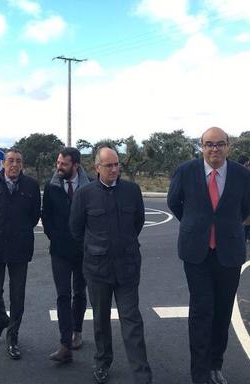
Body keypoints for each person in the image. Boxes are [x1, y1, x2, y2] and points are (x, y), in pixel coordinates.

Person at [167, 127, 250, 384]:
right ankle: (200, 373)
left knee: (223, 311)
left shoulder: (241, 174)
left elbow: (248, 208)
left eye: (220, 144)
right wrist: (196, 225)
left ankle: (216, 364)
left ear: (229, 147)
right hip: (197, 253)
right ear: (201, 146)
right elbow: (174, 203)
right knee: (201, 310)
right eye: (209, 144)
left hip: (229, 252)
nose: (214, 149)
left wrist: (224, 227)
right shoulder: (186, 171)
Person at [70, 146, 152, 384]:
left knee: (132, 320)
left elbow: (138, 222)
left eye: (117, 164)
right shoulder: (84, 194)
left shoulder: (132, 191)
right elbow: (76, 229)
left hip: (127, 266)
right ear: (97, 167)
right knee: (100, 320)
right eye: (109, 165)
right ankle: (103, 361)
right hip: (97, 269)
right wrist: (95, 249)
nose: (115, 169)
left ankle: (142, 375)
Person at [0, 148, 41, 360]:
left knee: (17, 295)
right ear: (3, 163)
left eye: (18, 161)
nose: (14, 164)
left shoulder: (31, 185)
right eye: (10, 161)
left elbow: (34, 216)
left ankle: (12, 336)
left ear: (22, 165)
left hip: (20, 246)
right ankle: (1, 321)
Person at [42, 147, 91, 363]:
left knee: (79, 293)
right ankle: (65, 344)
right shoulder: (51, 187)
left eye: (63, 164)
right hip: (60, 251)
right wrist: (57, 238)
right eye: (58, 162)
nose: (59, 167)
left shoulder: (89, 187)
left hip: (84, 251)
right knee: (63, 294)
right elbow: (47, 217)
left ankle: (77, 331)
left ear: (76, 166)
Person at [237, 155, 250, 244]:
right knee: (246, 220)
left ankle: (247, 237)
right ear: (246, 162)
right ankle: (248, 237)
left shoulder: (233, 169)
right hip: (243, 201)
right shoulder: (245, 172)